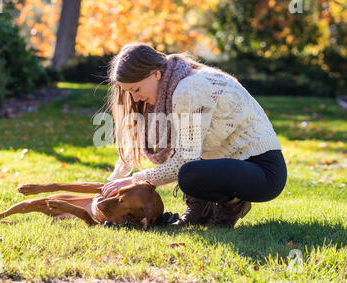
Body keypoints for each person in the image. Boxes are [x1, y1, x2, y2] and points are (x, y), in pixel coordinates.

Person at [100, 42, 287, 228]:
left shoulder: (189, 89)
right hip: (230, 166)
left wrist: (135, 180)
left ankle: (231, 206)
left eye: (136, 89)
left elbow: (184, 161)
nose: (135, 98)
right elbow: (137, 141)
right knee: (190, 167)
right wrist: (113, 182)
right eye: (129, 92)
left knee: (189, 172)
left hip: (263, 171)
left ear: (155, 74)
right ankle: (198, 211)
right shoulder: (169, 87)